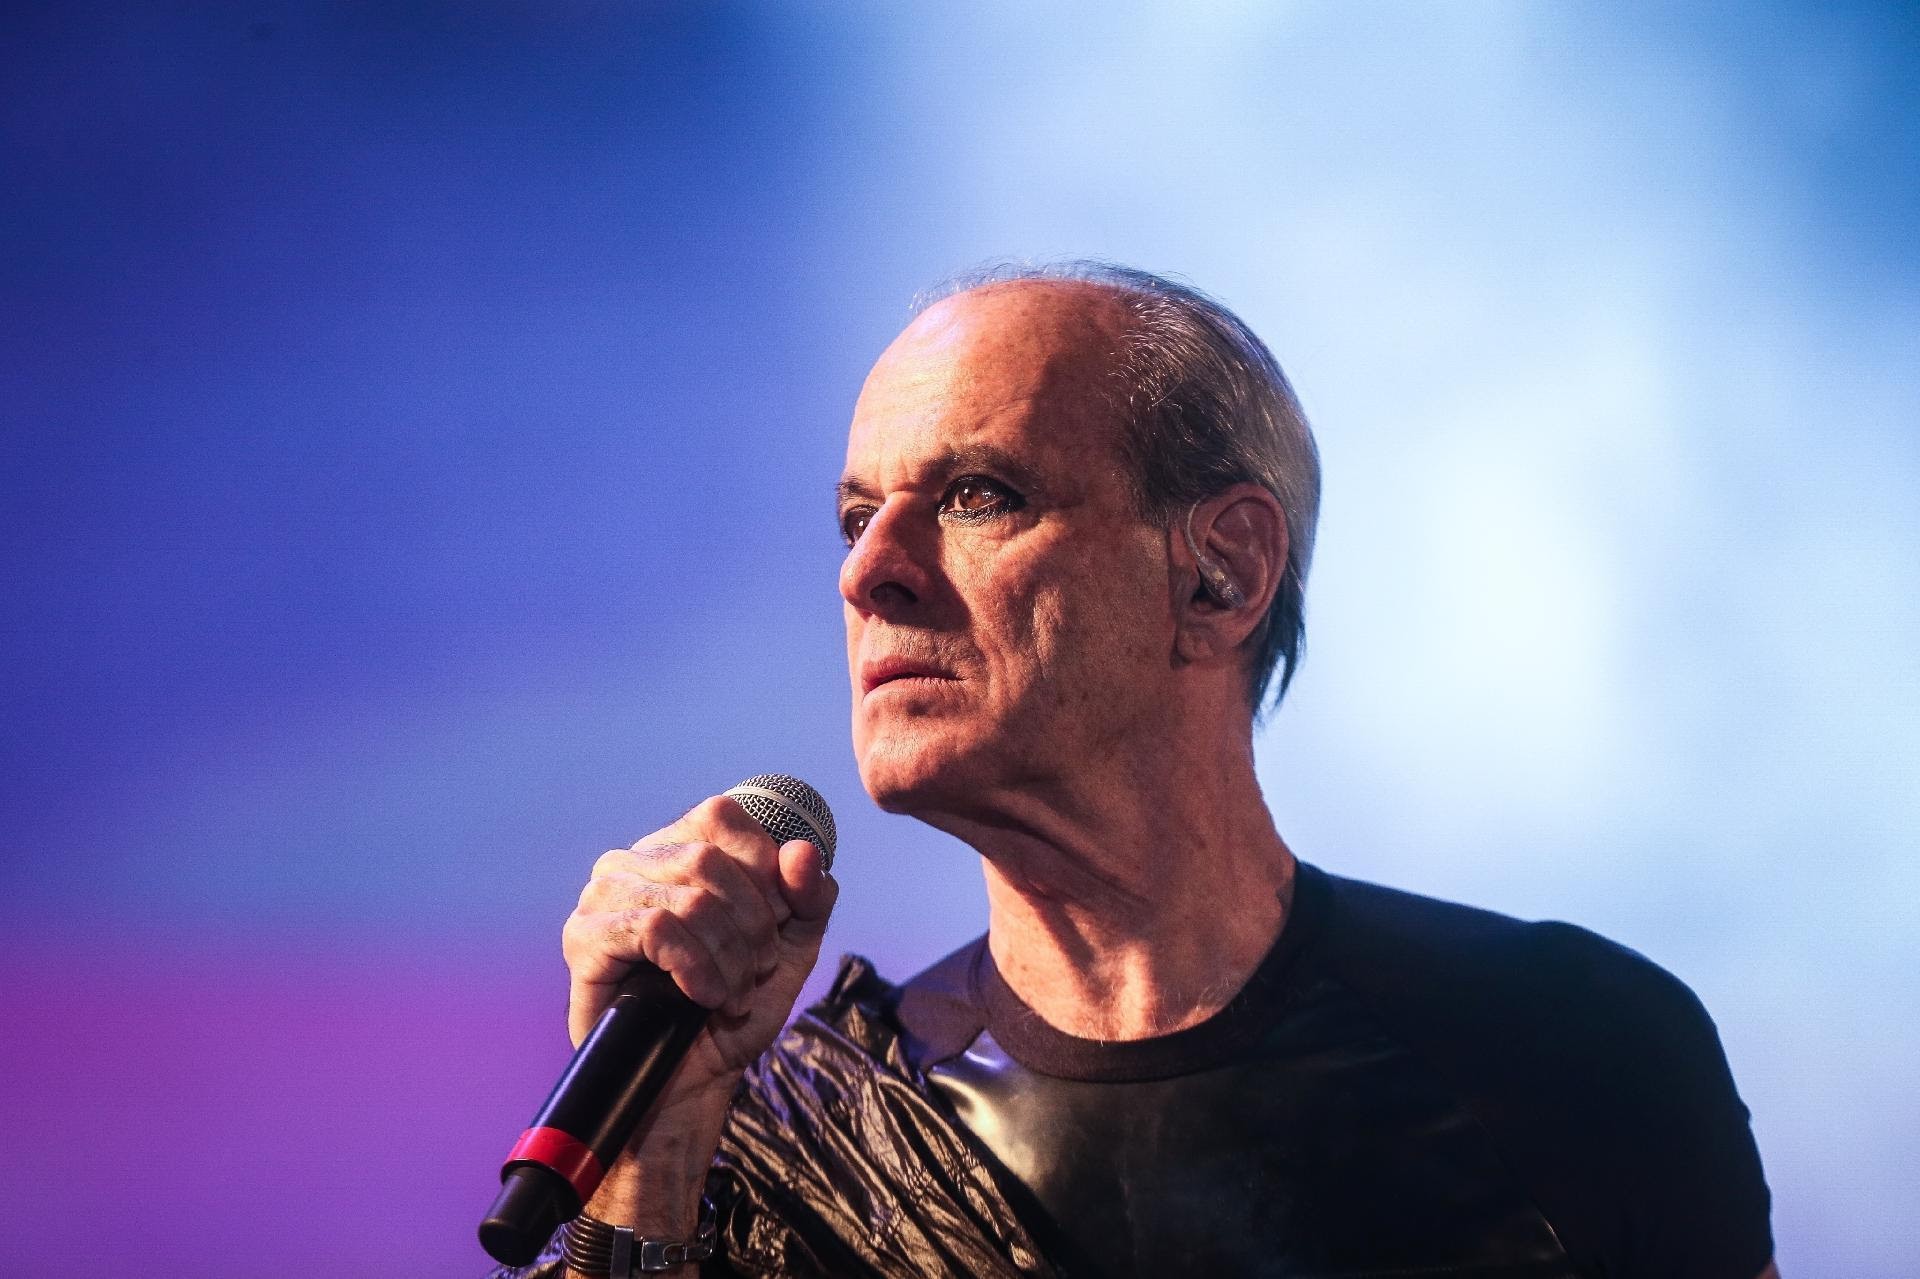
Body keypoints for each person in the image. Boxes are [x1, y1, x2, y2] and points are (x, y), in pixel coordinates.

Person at [494, 263, 1777, 1278]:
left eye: (976, 494)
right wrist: (655, 1154)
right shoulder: (805, 1148)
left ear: (1221, 572)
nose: (867, 571)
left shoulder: (1577, 1051)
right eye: (855, 516)